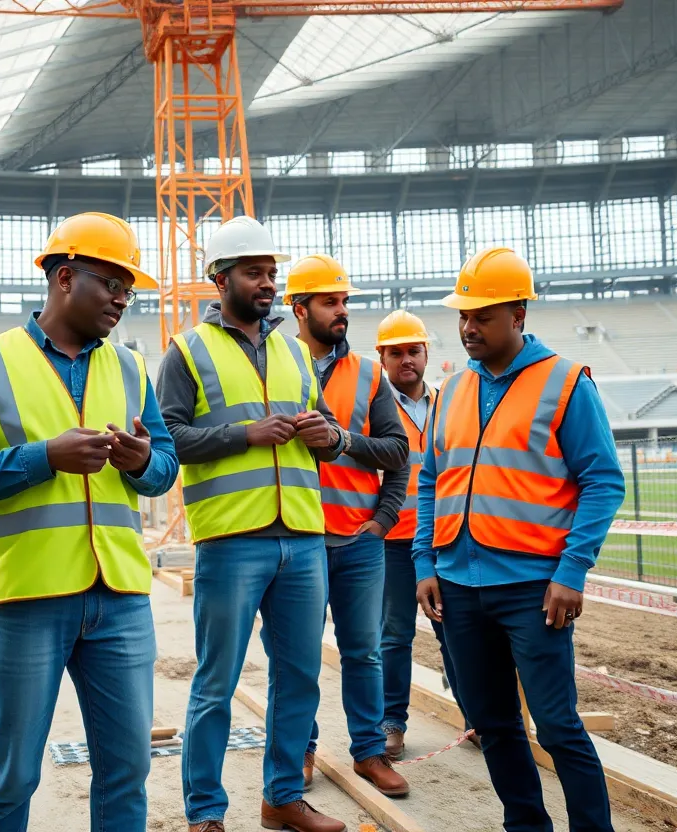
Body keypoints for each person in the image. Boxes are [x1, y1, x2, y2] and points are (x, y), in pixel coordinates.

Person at [0, 212, 179, 832]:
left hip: (120, 596)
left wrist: (141, 462)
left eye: (128, 290)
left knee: (127, 769)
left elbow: (164, 466)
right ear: (64, 277)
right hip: (28, 594)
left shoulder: (131, 368)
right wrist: (44, 458)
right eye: (111, 284)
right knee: (10, 776)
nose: (122, 299)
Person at [413, 247, 625, 832]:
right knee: (493, 724)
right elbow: (431, 479)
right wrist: (424, 562)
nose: (468, 327)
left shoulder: (565, 383)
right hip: (457, 587)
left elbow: (603, 481)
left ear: (518, 316)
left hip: (533, 589)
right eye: (464, 315)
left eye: (482, 316)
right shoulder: (451, 390)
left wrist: (571, 572)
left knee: (557, 726)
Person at [158, 217, 347, 832]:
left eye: (271, 273)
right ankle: (205, 813)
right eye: (253, 273)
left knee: (300, 679)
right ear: (220, 279)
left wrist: (327, 435)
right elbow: (169, 439)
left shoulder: (295, 351)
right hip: (232, 540)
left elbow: (326, 429)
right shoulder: (187, 351)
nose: (267, 283)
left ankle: (282, 798)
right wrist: (245, 434)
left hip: (303, 537)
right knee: (216, 683)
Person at [281, 255, 411, 797]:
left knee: (364, 652)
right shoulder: (274, 365)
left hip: (358, 541)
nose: (342, 311)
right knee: (297, 659)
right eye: (330, 302)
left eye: (344, 302)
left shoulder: (369, 373)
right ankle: (299, 752)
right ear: (299, 308)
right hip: (296, 539)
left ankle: (369, 751)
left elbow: (398, 451)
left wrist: (381, 520)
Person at [374, 310, 474, 754]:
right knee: (395, 635)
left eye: (413, 350)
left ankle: (476, 719)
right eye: (395, 353)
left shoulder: (447, 402)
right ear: (382, 357)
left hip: (441, 540)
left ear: (426, 353)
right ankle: (391, 722)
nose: (406, 360)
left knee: (455, 634)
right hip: (394, 542)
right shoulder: (376, 406)